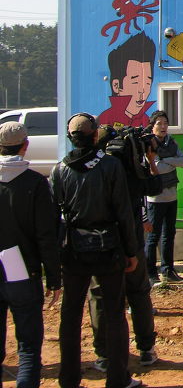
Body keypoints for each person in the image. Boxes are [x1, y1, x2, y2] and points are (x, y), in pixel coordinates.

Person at [50, 113, 140, 388]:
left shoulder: (59, 170)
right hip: (108, 247)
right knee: (114, 313)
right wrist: (131, 250)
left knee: (70, 315)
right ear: (94, 136)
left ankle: (68, 378)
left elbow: (54, 217)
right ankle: (117, 378)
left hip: (73, 249)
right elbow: (123, 211)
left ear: (70, 138)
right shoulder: (110, 165)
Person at [89, 123, 162, 374]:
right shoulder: (132, 171)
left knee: (100, 296)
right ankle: (146, 349)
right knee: (139, 294)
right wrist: (149, 161)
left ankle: (104, 355)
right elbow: (155, 187)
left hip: (100, 243)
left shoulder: (91, 169)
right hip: (132, 241)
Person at [0, 121, 60, 388]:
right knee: (28, 345)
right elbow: (46, 235)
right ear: (25, 146)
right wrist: (54, 278)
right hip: (22, 269)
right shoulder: (35, 183)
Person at [146, 110, 183, 283]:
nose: (163, 127)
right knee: (153, 236)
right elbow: (156, 168)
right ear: (152, 126)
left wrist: (167, 160)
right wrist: (171, 162)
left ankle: (168, 270)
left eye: (165, 123)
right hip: (155, 197)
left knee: (169, 234)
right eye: (159, 124)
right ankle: (150, 274)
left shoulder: (171, 142)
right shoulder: (149, 143)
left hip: (171, 195)